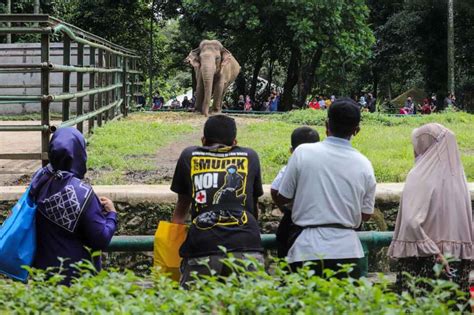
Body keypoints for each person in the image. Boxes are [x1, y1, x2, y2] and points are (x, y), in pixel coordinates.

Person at [275, 98, 376, 278]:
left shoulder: (303, 153)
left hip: (306, 249)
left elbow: (282, 196)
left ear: (326, 124)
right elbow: (366, 215)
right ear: (357, 130)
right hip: (349, 252)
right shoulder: (365, 164)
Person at [170, 115, 264, 287]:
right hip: (246, 243)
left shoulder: (189, 155)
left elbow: (180, 212)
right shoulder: (250, 156)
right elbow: (253, 209)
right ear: (235, 142)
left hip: (203, 245)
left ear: (203, 140)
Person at [388, 123, 473, 292]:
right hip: (457, 262)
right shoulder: (458, 179)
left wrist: (435, 252)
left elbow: (412, 222)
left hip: (424, 259)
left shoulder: (420, 176)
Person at [29, 128, 117, 285]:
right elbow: (101, 239)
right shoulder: (82, 192)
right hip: (76, 280)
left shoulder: (39, 181)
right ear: (79, 153)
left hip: (41, 276)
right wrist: (111, 214)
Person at [271, 127, 320, 258]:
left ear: (291, 151)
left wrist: (283, 208)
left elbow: (275, 190)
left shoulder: (288, 167)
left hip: (295, 219)